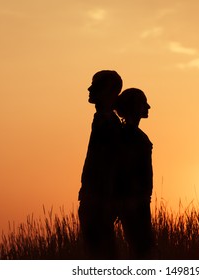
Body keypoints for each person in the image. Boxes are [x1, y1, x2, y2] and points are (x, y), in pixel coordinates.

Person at [78, 70, 122, 259]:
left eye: (96, 85)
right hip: (94, 198)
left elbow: (110, 165)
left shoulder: (109, 123)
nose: (89, 89)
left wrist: (105, 201)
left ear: (110, 91)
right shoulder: (103, 120)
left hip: (99, 200)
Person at [114, 88, 154, 259]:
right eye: (143, 103)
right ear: (134, 107)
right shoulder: (130, 136)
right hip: (135, 202)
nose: (148, 107)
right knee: (142, 250)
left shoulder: (129, 134)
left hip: (137, 201)